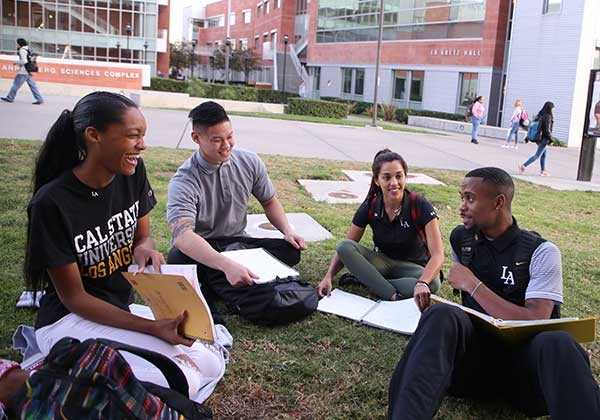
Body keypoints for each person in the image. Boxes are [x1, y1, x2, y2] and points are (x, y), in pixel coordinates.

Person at [25, 92, 223, 400]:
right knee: (182, 380)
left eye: (142, 136)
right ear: (94, 136)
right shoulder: (52, 204)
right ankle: (56, 367)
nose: (142, 145)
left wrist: (144, 245)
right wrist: (150, 327)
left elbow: (143, 237)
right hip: (69, 319)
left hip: (118, 307)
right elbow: (75, 298)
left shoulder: (131, 174)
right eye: (133, 136)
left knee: (210, 363)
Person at [387, 167, 600, 420]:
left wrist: (473, 284)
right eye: (461, 197)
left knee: (558, 341)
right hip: (473, 371)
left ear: (499, 202)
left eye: (470, 198)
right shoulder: (461, 239)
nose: (462, 206)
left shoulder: (542, 252)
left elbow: (537, 319)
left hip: (526, 379)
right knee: (441, 314)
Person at [166, 101, 307, 321]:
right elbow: (183, 237)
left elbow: (269, 201)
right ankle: (219, 285)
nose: (226, 145)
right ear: (196, 138)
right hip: (203, 249)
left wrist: (287, 230)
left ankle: (217, 282)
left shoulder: (249, 161)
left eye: (230, 136)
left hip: (237, 244)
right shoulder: (184, 180)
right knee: (177, 257)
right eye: (216, 140)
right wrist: (226, 265)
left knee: (290, 251)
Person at [317, 149, 444, 311]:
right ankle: (388, 292)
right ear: (377, 180)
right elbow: (347, 245)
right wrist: (328, 276)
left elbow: (438, 255)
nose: (394, 183)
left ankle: (368, 281)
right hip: (382, 263)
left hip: (412, 268)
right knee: (343, 246)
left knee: (432, 283)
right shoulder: (370, 205)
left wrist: (422, 283)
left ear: (405, 177)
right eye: (387, 177)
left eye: (399, 176)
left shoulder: (420, 204)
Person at [1, 38, 44, 105]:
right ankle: (39, 99)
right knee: (33, 86)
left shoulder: (22, 50)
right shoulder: (28, 49)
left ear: (20, 44)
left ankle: (10, 97)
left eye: (17, 43)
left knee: (15, 85)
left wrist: (16, 62)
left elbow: (24, 61)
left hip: (23, 71)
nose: (17, 45)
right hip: (28, 71)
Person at [519, 101, 554, 176]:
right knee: (537, 155)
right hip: (544, 138)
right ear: (550, 108)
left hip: (538, 138)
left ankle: (543, 171)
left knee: (544, 154)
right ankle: (524, 165)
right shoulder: (548, 116)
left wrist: (527, 138)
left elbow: (533, 127)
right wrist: (551, 140)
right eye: (553, 108)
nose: (553, 110)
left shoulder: (540, 115)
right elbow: (547, 130)